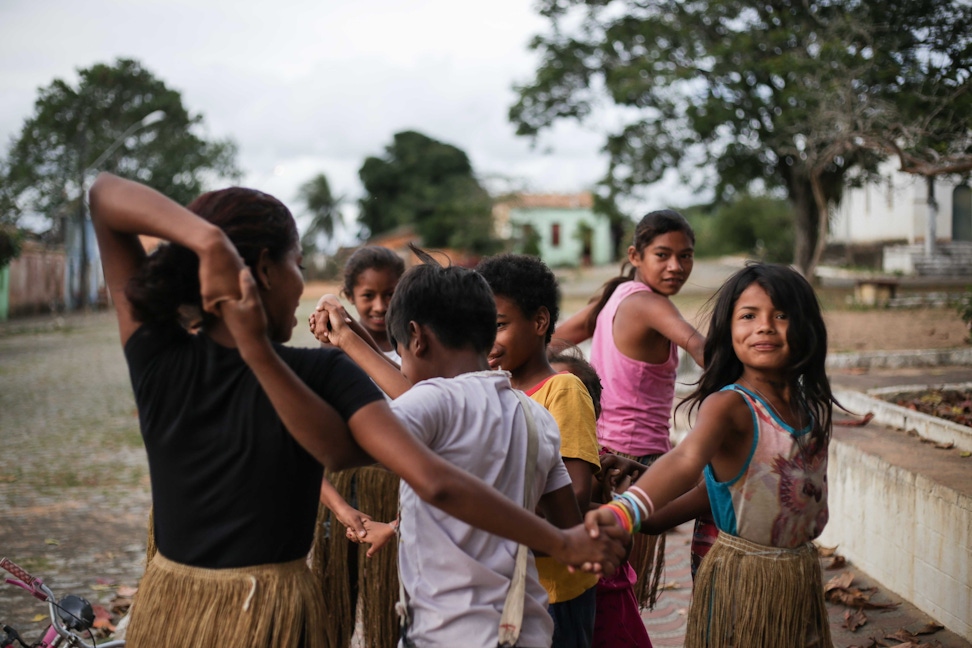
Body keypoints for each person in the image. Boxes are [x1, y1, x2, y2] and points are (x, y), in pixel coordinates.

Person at [88, 173, 625, 648]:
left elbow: (336, 451)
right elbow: (429, 478)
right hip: (260, 608)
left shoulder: (159, 353)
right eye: (298, 265)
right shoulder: (317, 373)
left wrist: (252, 340)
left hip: (209, 607)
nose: (302, 283)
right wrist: (213, 244)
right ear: (266, 273)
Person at [311, 247, 622, 648]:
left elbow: (335, 450)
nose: (402, 362)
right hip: (524, 627)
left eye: (400, 351)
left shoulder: (430, 405)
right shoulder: (534, 416)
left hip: (448, 633)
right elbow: (567, 522)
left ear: (417, 339)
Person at [588, 262, 836, 647]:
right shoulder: (729, 405)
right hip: (744, 582)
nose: (765, 326)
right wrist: (626, 511)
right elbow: (686, 460)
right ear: (728, 330)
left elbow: (734, 485)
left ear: (808, 328)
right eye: (749, 315)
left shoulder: (810, 406)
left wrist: (645, 507)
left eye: (782, 315)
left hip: (797, 574)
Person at [554, 208, 706, 609]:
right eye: (663, 254)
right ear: (635, 255)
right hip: (636, 465)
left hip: (597, 455)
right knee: (621, 596)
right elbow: (700, 346)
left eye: (686, 255)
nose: (676, 266)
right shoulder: (650, 305)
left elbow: (547, 342)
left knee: (601, 590)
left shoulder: (612, 297)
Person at [476, 253, 601, 648]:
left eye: (497, 325)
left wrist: (488, 520)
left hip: (555, 591)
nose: (486, 341)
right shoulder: (489, 391)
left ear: (540, 321)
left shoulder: (561, 389)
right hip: (505, 582)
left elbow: (577, 494)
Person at [313, 245, 405, 648]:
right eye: (369, 296)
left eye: (390, 293)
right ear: (351, 296)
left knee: (393, 600)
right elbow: (313, 439)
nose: (380, 305)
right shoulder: (333, 350)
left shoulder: (415, 348)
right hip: (345, 493)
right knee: (335, 597)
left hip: (400, 491)